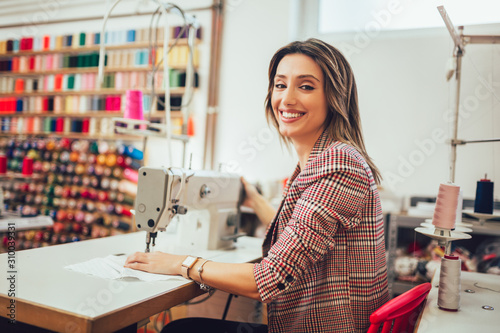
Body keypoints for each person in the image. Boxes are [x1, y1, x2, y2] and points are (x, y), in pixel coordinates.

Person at [125, 38, 389, 333]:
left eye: (306, 86)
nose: (286, 99)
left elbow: (271, 278)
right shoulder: (320, 160)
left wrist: (179, 263)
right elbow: (302, 231)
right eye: (280, 85)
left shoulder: (338, 163)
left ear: (334, 98)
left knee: (181, 330)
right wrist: (254, 200)